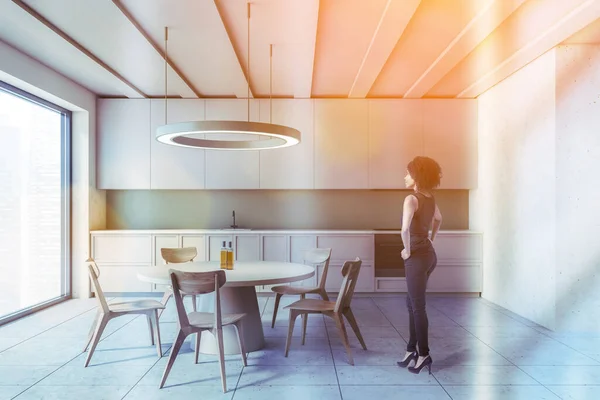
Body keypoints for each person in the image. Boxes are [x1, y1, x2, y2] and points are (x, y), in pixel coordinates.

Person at [396, 156, 443, 375]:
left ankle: (423, 354)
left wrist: (406, 250)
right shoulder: (430, 197)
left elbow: (404, 230)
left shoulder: (411, 198)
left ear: (415, 176)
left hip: (416, 257)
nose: (405, 176)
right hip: (429, 256)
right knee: (411, 303)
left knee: (417, 306)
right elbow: (439, 219)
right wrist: (431, 238)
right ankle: (410, 349)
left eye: (407, 172)